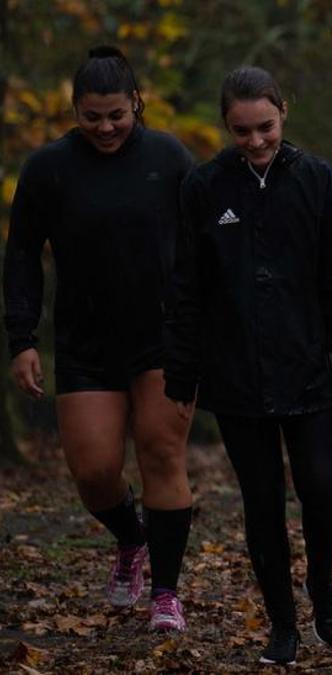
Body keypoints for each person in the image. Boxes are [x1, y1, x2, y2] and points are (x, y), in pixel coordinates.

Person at [163, 66, 332, 666]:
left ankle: (324, 588)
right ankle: (281, 622)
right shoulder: (204, 190)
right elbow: (187, 287)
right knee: (260, 502)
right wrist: (183, 373)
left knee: (319, 491)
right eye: (242, 131)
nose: (256, 141)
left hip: (310, 368)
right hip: (236, 376)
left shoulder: (324, 183)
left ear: (285, 112)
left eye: (266, 127)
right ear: (225, 127)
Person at [4, 46, 195, 632]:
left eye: (117, 115)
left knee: (162, 453)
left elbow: (203, 247)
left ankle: (165, 593)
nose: (106, 128)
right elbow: (21, 256)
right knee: (93, 472)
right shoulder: (49, 168)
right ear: (75, 111)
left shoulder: (169, 157)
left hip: (162, 335)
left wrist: (206, 324)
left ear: (135, 103)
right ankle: (131, 540)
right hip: (86, 341)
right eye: (92, 117)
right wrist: (22, 337)